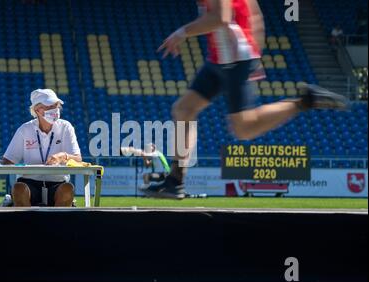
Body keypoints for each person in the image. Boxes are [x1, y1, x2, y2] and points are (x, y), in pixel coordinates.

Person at [141, 0, 349, 199]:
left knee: (243, 129)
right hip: (220, 59)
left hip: (235, 59)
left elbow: (220, 18)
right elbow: (256, 15)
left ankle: (305, 101)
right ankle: (175, 180)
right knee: (184, 109)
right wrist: (256, 54)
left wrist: (181, 33)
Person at [0, 89, 82, 207]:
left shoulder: (66, 127)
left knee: (67, 189)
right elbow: (8, 162)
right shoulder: (24, 129)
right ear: (37, 110)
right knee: (19, 189)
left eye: (56, 105)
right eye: (49, 106)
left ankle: (56, 225)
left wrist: (63, 156)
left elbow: (78, 159)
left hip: (58, 182)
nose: (55, 109)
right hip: (29, 182)